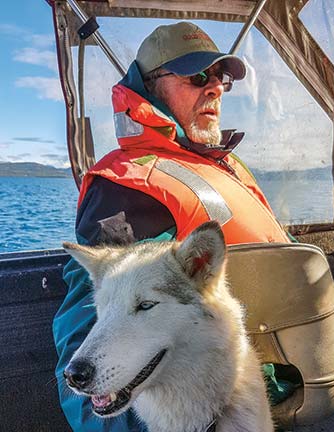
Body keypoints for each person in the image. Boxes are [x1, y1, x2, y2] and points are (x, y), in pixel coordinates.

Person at [53, 21, 293, 431]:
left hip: (271, 368)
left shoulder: (224, 167)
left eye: (219, 78)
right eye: (197, 76)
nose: (214, 87)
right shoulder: (131, 187)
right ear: (150, 86)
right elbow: (97, 322)